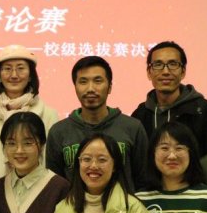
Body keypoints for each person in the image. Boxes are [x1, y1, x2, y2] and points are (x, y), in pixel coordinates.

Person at [46, 56, 149, 191]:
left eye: (98, 81)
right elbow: (55, 186)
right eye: (83, 82)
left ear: (110, 87)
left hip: (125, 205)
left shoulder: (132, 128)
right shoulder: (59, 131)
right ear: (75, 87)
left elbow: (143, 181)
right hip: (74, 205)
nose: (90, 88)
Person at [0, 45, 60, 188]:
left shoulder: (49, 115)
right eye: (7, 69)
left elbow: (51, 165)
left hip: (38, 195)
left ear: (30, 75)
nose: (14, 75)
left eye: (20, 68)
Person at [132, 41, 207, 155]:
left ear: (183, 72)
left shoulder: (203, 111)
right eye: (158, 65)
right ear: (149, 72)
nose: (165, 71)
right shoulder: (140, 115)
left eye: (173, 64)